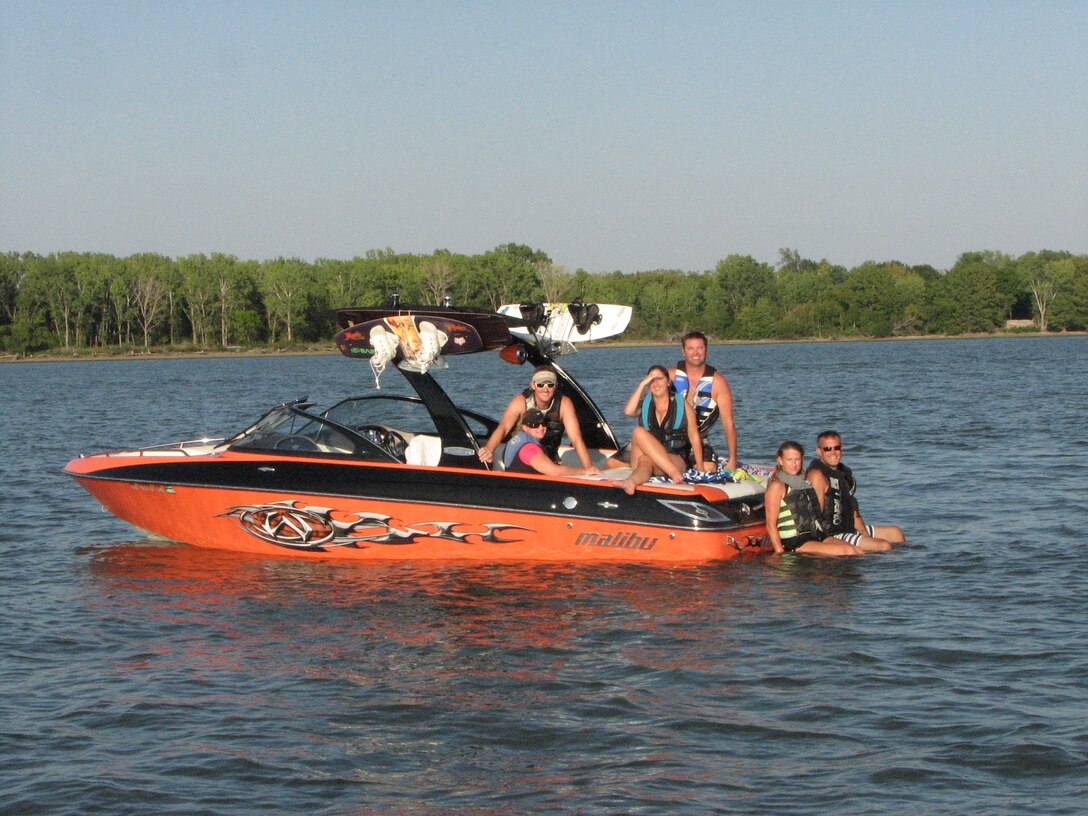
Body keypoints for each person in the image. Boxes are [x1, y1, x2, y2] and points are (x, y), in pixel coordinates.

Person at [612, 365, 711, 495]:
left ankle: (632, 482)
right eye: (651, 380)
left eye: (659, 378)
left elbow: (694, 436)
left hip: (675, 458)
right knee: (638, 433)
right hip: (645, 457)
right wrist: (642, 384)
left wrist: (701, 469)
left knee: (645, 460)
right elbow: (628, 411)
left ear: (668, 382)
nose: (656, 383)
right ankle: (672, 474)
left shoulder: (682, 404)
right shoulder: (645, 403)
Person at [805, 430, 904, 552]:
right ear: (819, 451)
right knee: (883, 546)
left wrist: (864, 535)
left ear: (842, 449)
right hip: (831, 533)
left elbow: (852, 509)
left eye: (837, 447)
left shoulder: (843, 473)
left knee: (896, 533)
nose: (833, 452)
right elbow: (814, 516)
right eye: (827, 449)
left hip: (848, 526)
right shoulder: (817, 475)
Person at [478, 365, 593, 468]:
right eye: (540, 384)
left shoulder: (564, 403)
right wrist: (489, 449)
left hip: (548, 456)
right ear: (533, 385)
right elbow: (503, 428)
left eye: (550, 385)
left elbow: (576, 439)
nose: (545, 389)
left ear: (556, 386)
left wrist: (588, 468)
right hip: (522, 456)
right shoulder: (520, 401)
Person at [764, 441, 860, 556]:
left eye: (797, 459)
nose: (794, 464)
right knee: (847, 552)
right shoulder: (777, 486)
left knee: (857, 551)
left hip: (817, 535)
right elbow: (770, 524)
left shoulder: (805, 482)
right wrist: (779, 552)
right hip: (796, 541)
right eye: (789, 460)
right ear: (780, 461)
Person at [669, 331, 737, 471]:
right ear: (683, 352)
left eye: (700, 348)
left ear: (706, 351)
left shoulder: (718, 382)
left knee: (708, 469)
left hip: (699, 440)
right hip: (669, 438)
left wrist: (732, 459)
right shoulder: (669, 376)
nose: (696, 353)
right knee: (615, 465)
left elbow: (728, 423)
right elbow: (646, 407)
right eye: (690, 348)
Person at [502, 409, 601, 477]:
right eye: (534, 424)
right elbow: (554, 471)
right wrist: (584, 471)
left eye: (543, 423)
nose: (541, 428)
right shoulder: (530, 449)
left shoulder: (516, 442)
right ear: (524, 427)